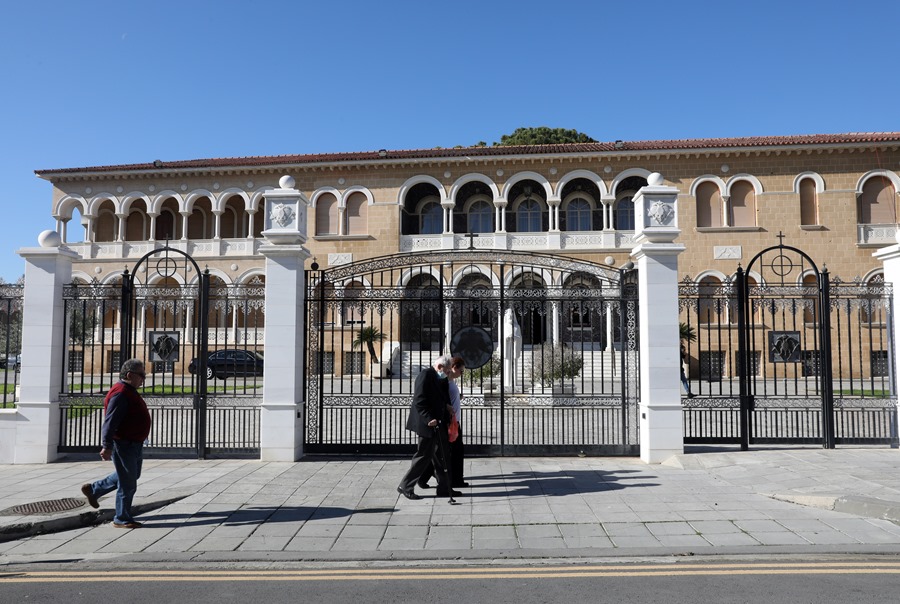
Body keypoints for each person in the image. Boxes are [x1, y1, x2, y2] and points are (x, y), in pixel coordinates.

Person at [80, 358, 152, 528]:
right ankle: (121, 518)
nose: (144, 378)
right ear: (129, 374)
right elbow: (110, 422)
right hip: (124, 444)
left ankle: (95, 489)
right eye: (141, 375)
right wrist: (106, 446)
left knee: (131, 475)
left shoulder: (128, 390)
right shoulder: (120, 393)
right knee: (128, 483)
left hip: (134, 443)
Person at [397, 354, 461, 500]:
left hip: (440, 422)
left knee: (443, 456)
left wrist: (447, 406)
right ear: (440, 367)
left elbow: (439, 397)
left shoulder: (440, 377)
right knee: (423, 455)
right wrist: (428, 418)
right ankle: (405, 486)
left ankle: (445, 488)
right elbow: (419, 400)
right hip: (428, 424)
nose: (448, 374)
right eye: (447, 371)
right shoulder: (425, 376)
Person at [417, 355, 468, 489]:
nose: (461, 374)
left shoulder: (450, 380)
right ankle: (453, 481)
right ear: (454, 368)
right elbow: (438, 398)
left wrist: (458, 397)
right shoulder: (443, 380)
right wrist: (446, 406)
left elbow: (447, 397)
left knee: (446, 452)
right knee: (447, 452)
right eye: (461, 371)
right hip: (449, 421)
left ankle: (425, 478)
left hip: (454, 420)